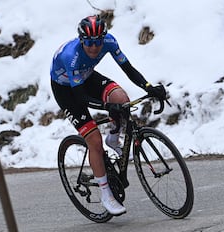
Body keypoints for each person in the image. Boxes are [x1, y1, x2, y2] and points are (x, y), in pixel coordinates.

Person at [50, 15, 166, 216]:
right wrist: (106, 107)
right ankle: (106, 194)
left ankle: (114, 138)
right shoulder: (72, 56)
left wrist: (149, 87)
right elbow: (81, 98)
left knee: (121, 99)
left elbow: (128, 69)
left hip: (86, 76)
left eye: (98, 42)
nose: (94, 47)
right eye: (89, 43)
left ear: (103, 38)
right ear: (81, 40)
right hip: (67, 90)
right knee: (94, 140)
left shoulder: (110, 42)